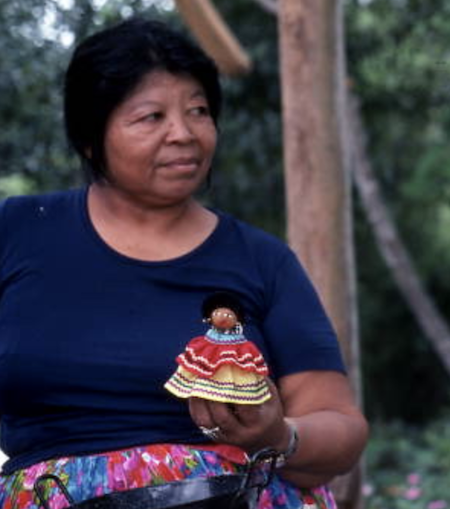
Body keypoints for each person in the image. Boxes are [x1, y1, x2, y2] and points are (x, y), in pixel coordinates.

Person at [0, 16, 368, 509]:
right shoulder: (18, 231)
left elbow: (340, 424)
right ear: (91, 138)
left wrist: (278, 436)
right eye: (151, 117)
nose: (183, 133)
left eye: (198, 111)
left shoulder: (262, 261)